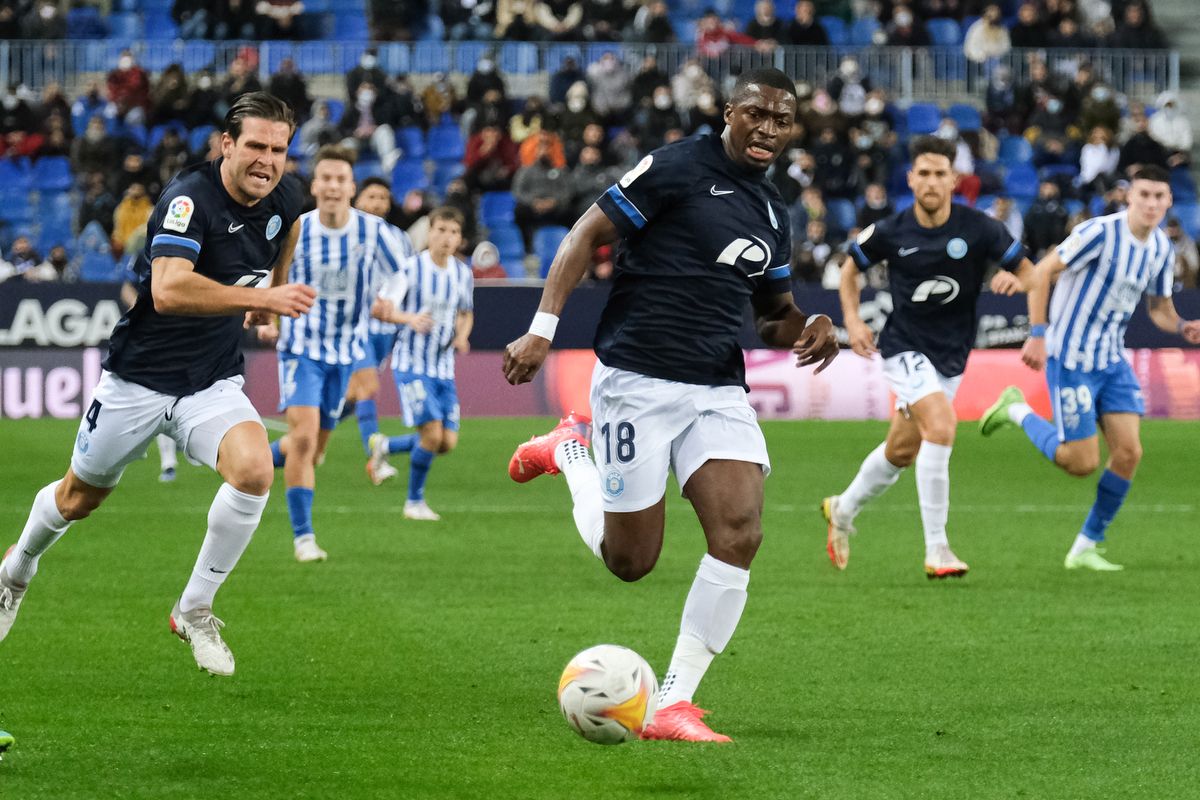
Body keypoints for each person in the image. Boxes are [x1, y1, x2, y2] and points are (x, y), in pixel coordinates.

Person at [500, 69, 838, 742]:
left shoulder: (773, 210)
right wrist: (542, 329)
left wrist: (807, 325)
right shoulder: (678, 167)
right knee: (631, 563)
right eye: (758, 114)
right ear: (728, 113)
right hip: (637, 380)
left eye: (783, 119)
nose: (770, 128)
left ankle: (673, 701)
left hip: (715, 385)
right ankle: (572, 449)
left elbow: (771, 315)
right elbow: (583, 235)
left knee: (741, 531)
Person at [0, 93, 314, 675]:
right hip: (138, 380)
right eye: (255, 146)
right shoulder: (188, 198)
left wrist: (278, 285)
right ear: (227, 144)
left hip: (210, 382)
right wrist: (262, 297)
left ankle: (193, 609)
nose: (268, 161)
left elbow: (289, 225)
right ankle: (15, 573)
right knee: (79, 498)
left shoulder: (288, 192)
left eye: (279, 149)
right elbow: (169, 291)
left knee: (253, 471)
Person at [823, 135, 1035, 578]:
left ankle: (842, 508)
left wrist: (1022, 287)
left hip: (952, 356)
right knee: (941, 426)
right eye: (924, 173)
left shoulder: (980, 228)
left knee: (901, 450)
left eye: (941, 173)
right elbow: (849, 269)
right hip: (903, 348)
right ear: (911, 178)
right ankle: (938, 550)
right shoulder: (892, 230)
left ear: (955, 179)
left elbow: (1031, 272)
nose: (932, 181)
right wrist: (854, 322)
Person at [980, 165, 1200, 570]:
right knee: (1080, 464)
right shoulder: (1099, 233)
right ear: (1128, 196)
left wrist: (1183, 326)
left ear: (1169, 201)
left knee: (1129, 452)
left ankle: (1086, 545)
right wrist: (1038, 333)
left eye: (1160, 196)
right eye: (1144, 195)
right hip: (1071, 358)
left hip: (1112, 360)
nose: (1152, 203)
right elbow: (1043, 271)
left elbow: (1159, 308)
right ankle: (1016, 409)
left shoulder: (1160, 250)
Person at [264, 149, 413, 562]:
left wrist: (389, 298)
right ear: (314, 186)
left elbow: (403, 271)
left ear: (351, 187)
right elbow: (268, 271)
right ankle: (303, 537)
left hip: (347, 351)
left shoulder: (374, 232)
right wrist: (266, 312)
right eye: (324, 178)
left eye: (340, 179)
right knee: (306, 438)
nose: (331, 186)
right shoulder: (297, 230)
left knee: (311, 448)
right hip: (300, 348)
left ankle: (257, 458)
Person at [368, 207, 474, 522]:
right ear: (429, 233)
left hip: (443, 369)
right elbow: (380, 309)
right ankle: (414, 502)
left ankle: (384, 446)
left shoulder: (462, 273)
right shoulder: (410, 270)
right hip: (411, 364)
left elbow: (466, 312)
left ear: (460, 238)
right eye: (440, 230)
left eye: (453, 232)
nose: (446, 237)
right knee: (430, 435)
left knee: (446, 442)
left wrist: (462, 337)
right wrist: (409, 318)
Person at [342, 177, 417, 486]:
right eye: (371, 196)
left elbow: (408, 277)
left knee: (350, 397)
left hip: (386, 329)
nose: (377, 203)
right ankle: (375, 454)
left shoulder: (400, 238)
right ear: (358, 199)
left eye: (383, 198)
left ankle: (303, 437)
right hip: (355, 325)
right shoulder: (346, 231)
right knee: (367, 387)